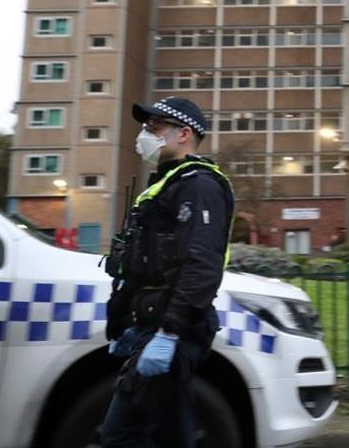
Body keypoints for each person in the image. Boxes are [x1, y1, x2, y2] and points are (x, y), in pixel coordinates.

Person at [101, 96, 235, 447]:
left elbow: (201, 266)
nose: (144, 135)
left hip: (173, 329)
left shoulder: (200, 186)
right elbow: (147, 265)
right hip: (154, 324)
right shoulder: (167, 185)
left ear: (183, 134)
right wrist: (125, 323)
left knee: (123, 434)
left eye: (154, 128)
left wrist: (169, 333)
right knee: (171, 434)